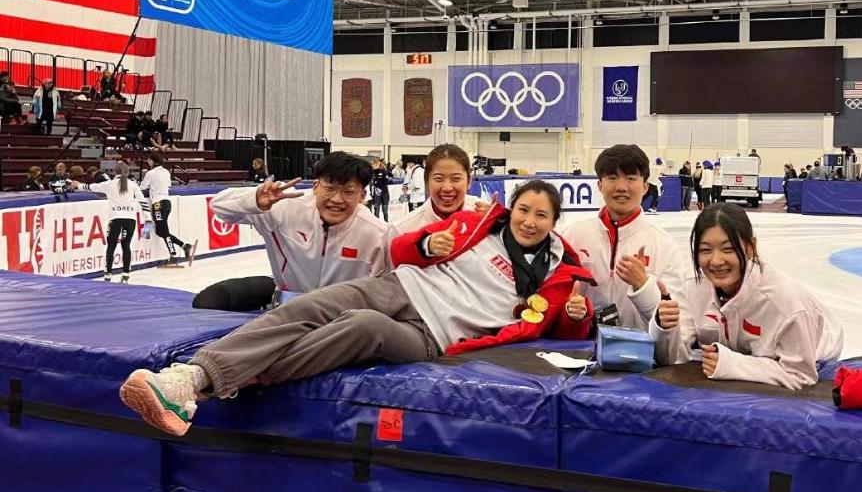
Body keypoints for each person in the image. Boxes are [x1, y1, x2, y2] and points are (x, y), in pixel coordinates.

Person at [120, 180, 595, 437]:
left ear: (555, 222)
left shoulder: (559, 273)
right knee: (312, 307)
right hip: (404, 287)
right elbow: (401, 249)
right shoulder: (478, 225)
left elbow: (563, 331)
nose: (529, 221)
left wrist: (578, 318)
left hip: (434, 335)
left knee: (359, 328)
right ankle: (188, 379)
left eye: (541, 215)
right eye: (524, 210)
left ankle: (221, 379)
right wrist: (427, 245)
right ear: (511, 209)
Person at [652, 203, 843, 389]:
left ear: (751, 247)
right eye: (705, 250)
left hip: (818, 349)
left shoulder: (785, 303)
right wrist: (664, 328)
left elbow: (801, 375)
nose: (716, 261)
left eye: (728, 249)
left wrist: (732, 364)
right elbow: (675, 357)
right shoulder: (692, 287)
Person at [210, 151, 389, 293]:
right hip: (288, 309)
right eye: (329, 189)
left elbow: (383, 290)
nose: (336, 199)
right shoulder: (285, 208)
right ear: (316, 187)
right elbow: (218, 207)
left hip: (344, 317)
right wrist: (254, 200)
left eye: (348, 192)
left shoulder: (377, 234)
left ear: (362, 196)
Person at [562, 145, 686, 331]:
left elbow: (675, 326)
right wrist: (569, 312)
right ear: (599, 185)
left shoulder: (665, 246)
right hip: (581, 345)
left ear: (645, 186)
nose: (621, 187)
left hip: (643, 347)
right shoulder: (573, 236)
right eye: (612, 178)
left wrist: (643, 287)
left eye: (631, 178)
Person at [392, 145, 486, 236]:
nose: (447, 188)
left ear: (469, 181)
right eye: (439, 179)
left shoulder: (487, 219)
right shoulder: (403, 230)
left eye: (456, 179)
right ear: (427, 181)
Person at [82, 162, 145, 283]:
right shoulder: (133, 184)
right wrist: (148, 219)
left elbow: (91, 187)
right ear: (127, 171)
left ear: (115, 171)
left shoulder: (109, 184)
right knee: (126, 246)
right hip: (130, 219)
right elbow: (143, 202)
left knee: (111, 247)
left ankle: (107, 275)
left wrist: (77, 185)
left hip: (116, 218)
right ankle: (126, 275)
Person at [140, 153, 192, 265]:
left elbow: (142, 187)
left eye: (149, 160)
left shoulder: (150, 173)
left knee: (163, 231)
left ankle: (173, 255)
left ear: (152, 161)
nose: (148, 162)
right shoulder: (166, 172)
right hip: (167, 203)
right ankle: (184, 246)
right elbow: (168, 186)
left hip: (158, 204)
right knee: (161, 231)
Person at [369, 157, 391, 221]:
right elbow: (372, 182)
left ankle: (386, 223)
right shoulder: (372, 172)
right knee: (376, 210)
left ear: (377, 164)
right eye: (372, 165)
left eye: (373, 164)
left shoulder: (384, 171)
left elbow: (386, 182)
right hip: (376, 193)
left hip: (384, 193)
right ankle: (376, 224)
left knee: (385, 210)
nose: (372, 166)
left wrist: (380, 188)